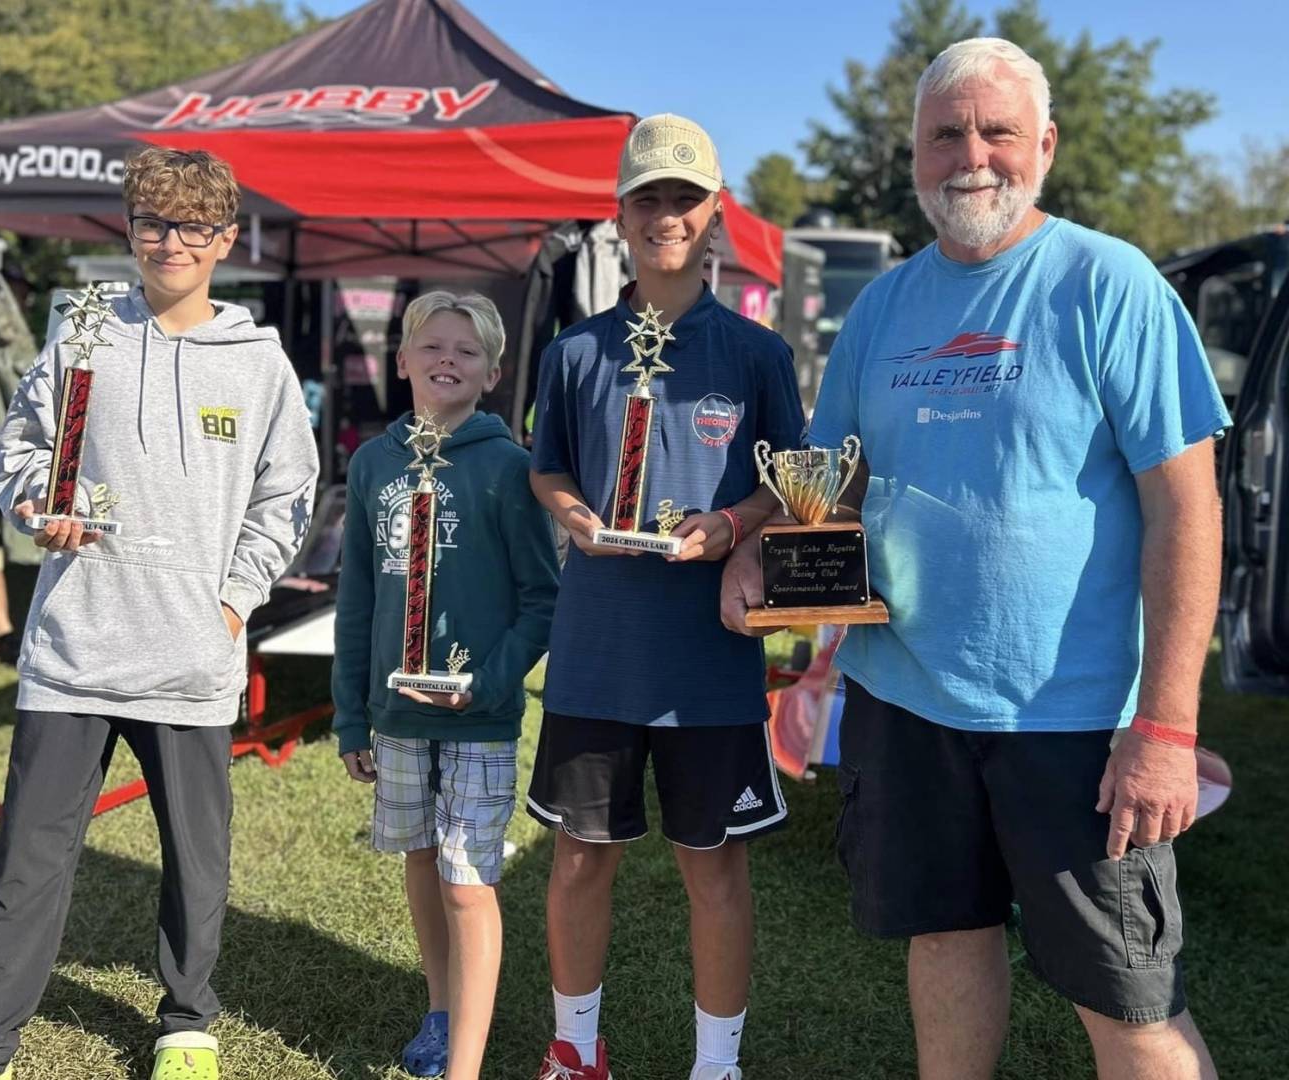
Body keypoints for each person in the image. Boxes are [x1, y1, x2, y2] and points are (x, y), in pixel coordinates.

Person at [722, 37, 1226, 1080]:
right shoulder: (884, 307)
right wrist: (756, 547)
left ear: (1044, 143)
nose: (972, 156)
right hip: (905, 701)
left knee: (1128, 994)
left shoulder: (1109, 284)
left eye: (997, 130)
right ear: (915, 155)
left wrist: (1167, 726)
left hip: (1072, 717)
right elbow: (833, 475)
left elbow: (1187, 512)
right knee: (947, 939)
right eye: (945, 134)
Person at [0, 146, 319, 1080]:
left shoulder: (261, 365)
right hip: (73, 648)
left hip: (190, 657)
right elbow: (20, 451)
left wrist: (231, 604)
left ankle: (187, 1022)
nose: (169, 242)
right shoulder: (81, 333)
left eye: (191, 225)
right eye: (152, 223)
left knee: (195, 864)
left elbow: (288, 494)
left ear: (226, 237)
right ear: (130, 230)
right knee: (26, 864)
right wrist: (33, 506)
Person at [526, 115, 802, 1080]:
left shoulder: (759, 355)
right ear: (620, 215)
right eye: (648, 197)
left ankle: (716, 1066)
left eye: (684, 198)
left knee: (713, 864)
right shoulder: (574, 353)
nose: (666, 216)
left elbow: (790, 482)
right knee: (577, 859)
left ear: (715, 214)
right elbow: (548, 469)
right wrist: (576, 517)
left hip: (707, 659)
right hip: (598, 646)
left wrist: (731, 528)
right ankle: (574, 1053)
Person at [332, 290, 559, 1080]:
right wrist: (351, 717)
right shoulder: (372, 464)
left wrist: (489, 685)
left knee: (469, 882)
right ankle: (440, 1009)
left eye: (466, 350)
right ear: (401, 362)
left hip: (479, 717)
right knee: (423, 860)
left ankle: (463, 1066)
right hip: (395, 714)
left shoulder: (510, 468)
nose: (447, 360)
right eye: (432, 346)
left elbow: (542, 599)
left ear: (493, 373)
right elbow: (357, 600)